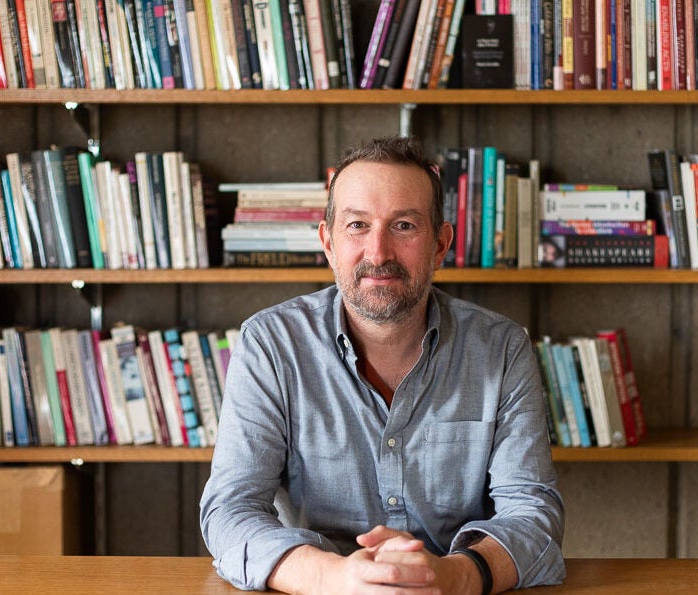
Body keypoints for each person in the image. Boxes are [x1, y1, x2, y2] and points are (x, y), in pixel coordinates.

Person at [200, 136, 565, 594]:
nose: (378, 253)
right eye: (357, 225)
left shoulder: (502, 348)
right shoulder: (271, 345)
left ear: (440, 244)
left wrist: (453, 576)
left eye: (405, 226)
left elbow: (533, 514)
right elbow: (229, 511)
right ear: (328, 242)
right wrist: (333, 577)